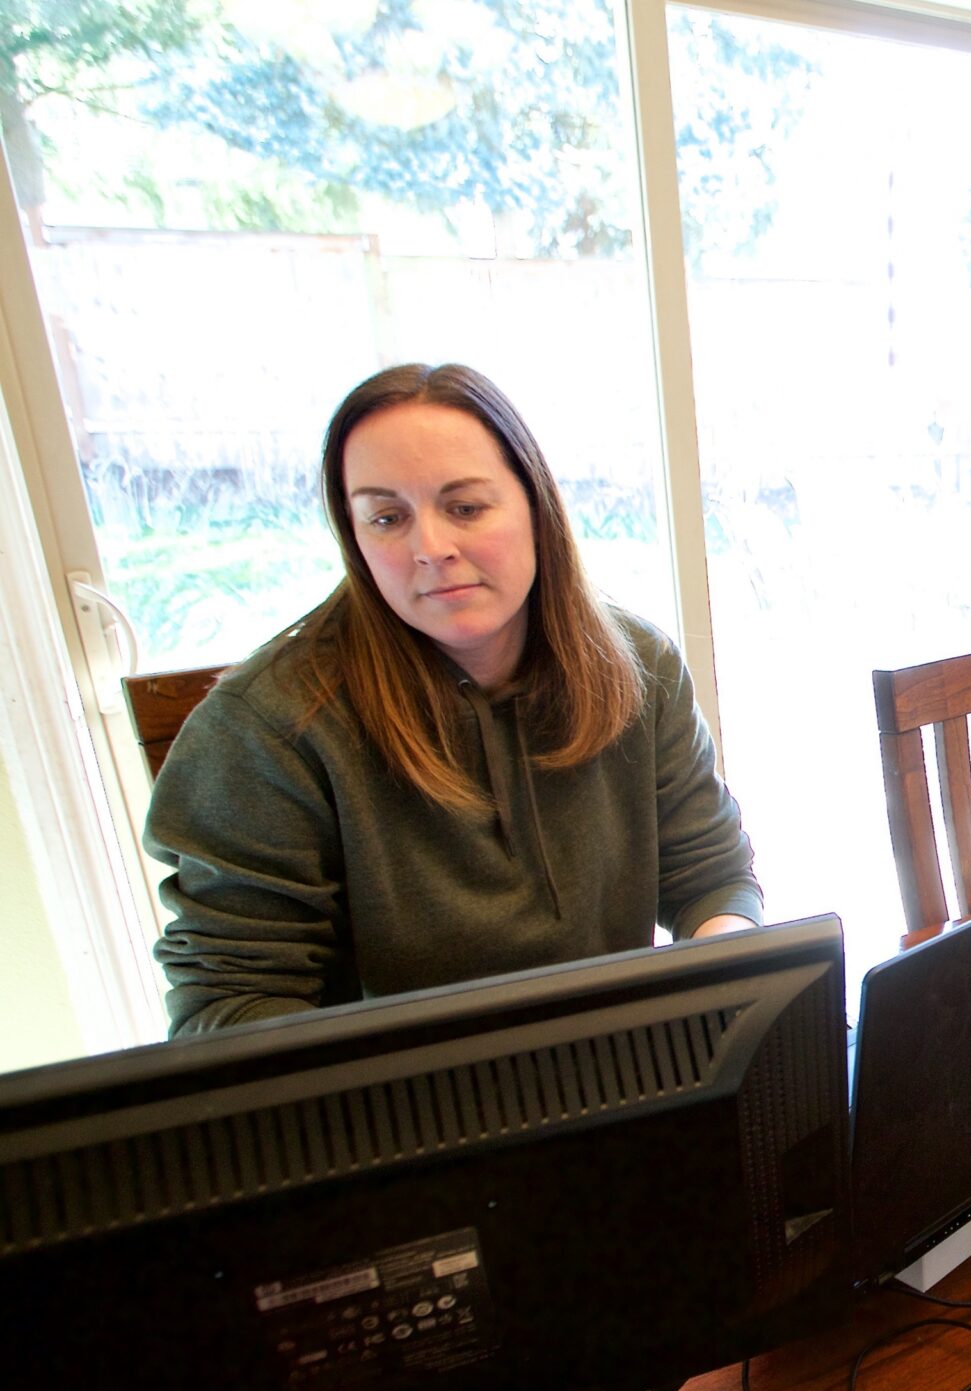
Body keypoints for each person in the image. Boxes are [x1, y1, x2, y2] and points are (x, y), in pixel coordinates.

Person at [145, 362, 763, 1036]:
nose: (430, 548)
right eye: (386, 517)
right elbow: (230, 1004)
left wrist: (722, 975)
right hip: (392, 1113)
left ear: (537, 505)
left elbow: (712, 875)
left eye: (465, 507)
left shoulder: (639, 663)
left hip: (621, 1078)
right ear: (354, 537)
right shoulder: (263, 729)